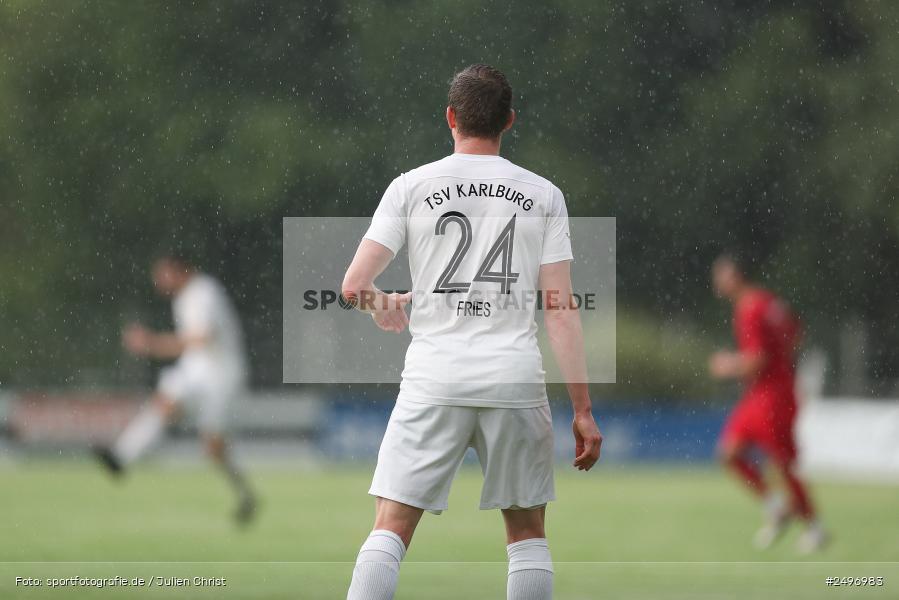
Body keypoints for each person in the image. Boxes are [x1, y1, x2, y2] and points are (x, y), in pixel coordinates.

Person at [341, 64, 602, 600]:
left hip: (434, 376)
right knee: (527, 536)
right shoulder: (544, 195)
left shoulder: (411, 186)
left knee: (390, 528)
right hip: (514, 379)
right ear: (509, 120)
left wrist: (382, 306)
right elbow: (559, 308)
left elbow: (353, 286)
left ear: (450, 117)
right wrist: (582, 409)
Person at [94, 253, 257, 524]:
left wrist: (151, 343)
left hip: (221, 375)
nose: (159, 281)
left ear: (180, 270)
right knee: (165, 402)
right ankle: (120, 457)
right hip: (198, 369)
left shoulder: (204, 292)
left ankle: (245, 495)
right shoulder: (185, 297)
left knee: (214, 447)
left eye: (163, 274)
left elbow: (202, 338)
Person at [709, 253, 826, 553]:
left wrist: (727, 365)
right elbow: (796, 333)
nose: (717, 281)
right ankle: (777, 507)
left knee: (782, 463)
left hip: (771, 396)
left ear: (736, 276)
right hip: (763, 393)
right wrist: (782, 362)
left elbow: (757, 360)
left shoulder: (749, 309)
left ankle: (814, 528)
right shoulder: (768, 302)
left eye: (721, 275)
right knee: (729, 453)